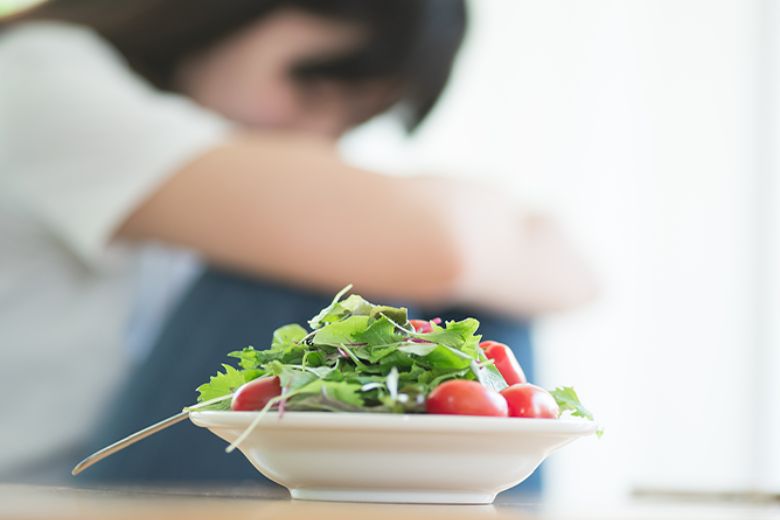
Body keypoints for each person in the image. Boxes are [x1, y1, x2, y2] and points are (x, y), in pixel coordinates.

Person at [0, 0, 596, 489]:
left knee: (459, 306)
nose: (315, 136)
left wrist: (463, 242)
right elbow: (443, 244)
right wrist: (495, 229)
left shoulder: (201, 133)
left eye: (350, 120)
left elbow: (577, 273)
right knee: (328, 263)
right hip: (53, 487)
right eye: (311, 85)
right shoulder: (37, 74)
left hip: (152, 465)